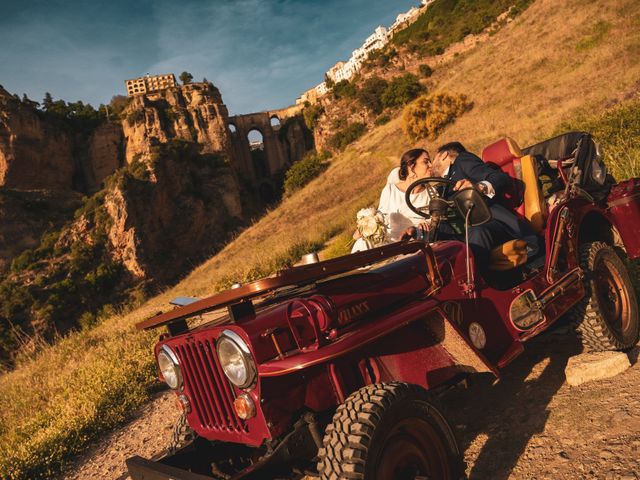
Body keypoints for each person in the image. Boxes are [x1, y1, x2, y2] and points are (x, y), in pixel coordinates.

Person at [431, 142, 540, 271]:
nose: (430, 165)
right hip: (465, 229)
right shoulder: (442, 186)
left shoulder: (462, 161)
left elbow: (500, 178)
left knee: (477, 232)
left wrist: (479, 187)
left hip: (492, 221)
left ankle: (477, 285)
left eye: (433, 159)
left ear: (444, 155)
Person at [352, 149, 432, 252]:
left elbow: (432, 224)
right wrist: (366, 228)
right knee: (363, 243)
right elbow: (380, 216)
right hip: (386, 242)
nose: (431, 165)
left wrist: (415, 230)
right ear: (411, 168)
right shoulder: (391, 189)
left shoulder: (431, 195)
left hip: (412, 246)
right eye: (426, 162)